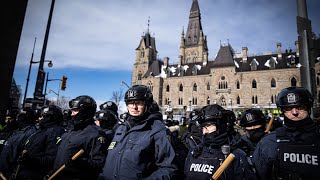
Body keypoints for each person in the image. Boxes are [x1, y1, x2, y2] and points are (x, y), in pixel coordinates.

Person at [99, 85, 177, 179]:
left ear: (147, 105)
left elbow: (168, 168)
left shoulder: (157, 130)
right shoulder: (121, 128)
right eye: (130, 103)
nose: (134, 107)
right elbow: (111, 159)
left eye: (139, 103)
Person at [253, 86, 320, 180]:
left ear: (308, 107)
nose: (294, 112)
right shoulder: (269, 143)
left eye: (300, 107)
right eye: (288, 108)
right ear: (282, 110)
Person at [184, 104, 254, 180]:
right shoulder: (195, 152)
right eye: (203, 127)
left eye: (208, 126)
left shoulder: (235, 155)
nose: (205, 132)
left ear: (221, 125)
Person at [51, 95, 108, 179]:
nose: (72, 114)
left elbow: (99, 163)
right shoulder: (71, 130)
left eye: (75, 111)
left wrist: (81, 163)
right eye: (72, 111)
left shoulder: (95, 133)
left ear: (85, 112)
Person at [16, 105, 66, 179]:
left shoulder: (55, 131)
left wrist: (31, 159)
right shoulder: (40, 131)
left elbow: (51, 159)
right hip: (23, 172)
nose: (40, 118)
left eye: (43, 116)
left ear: (51, 117)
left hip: (36, 175)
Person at [0, 108, 37, 178]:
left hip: (11, 174)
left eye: (20, 116)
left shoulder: (31, 133)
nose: (17, 118)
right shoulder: (17, 130)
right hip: (3, 171)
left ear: (26, 117)